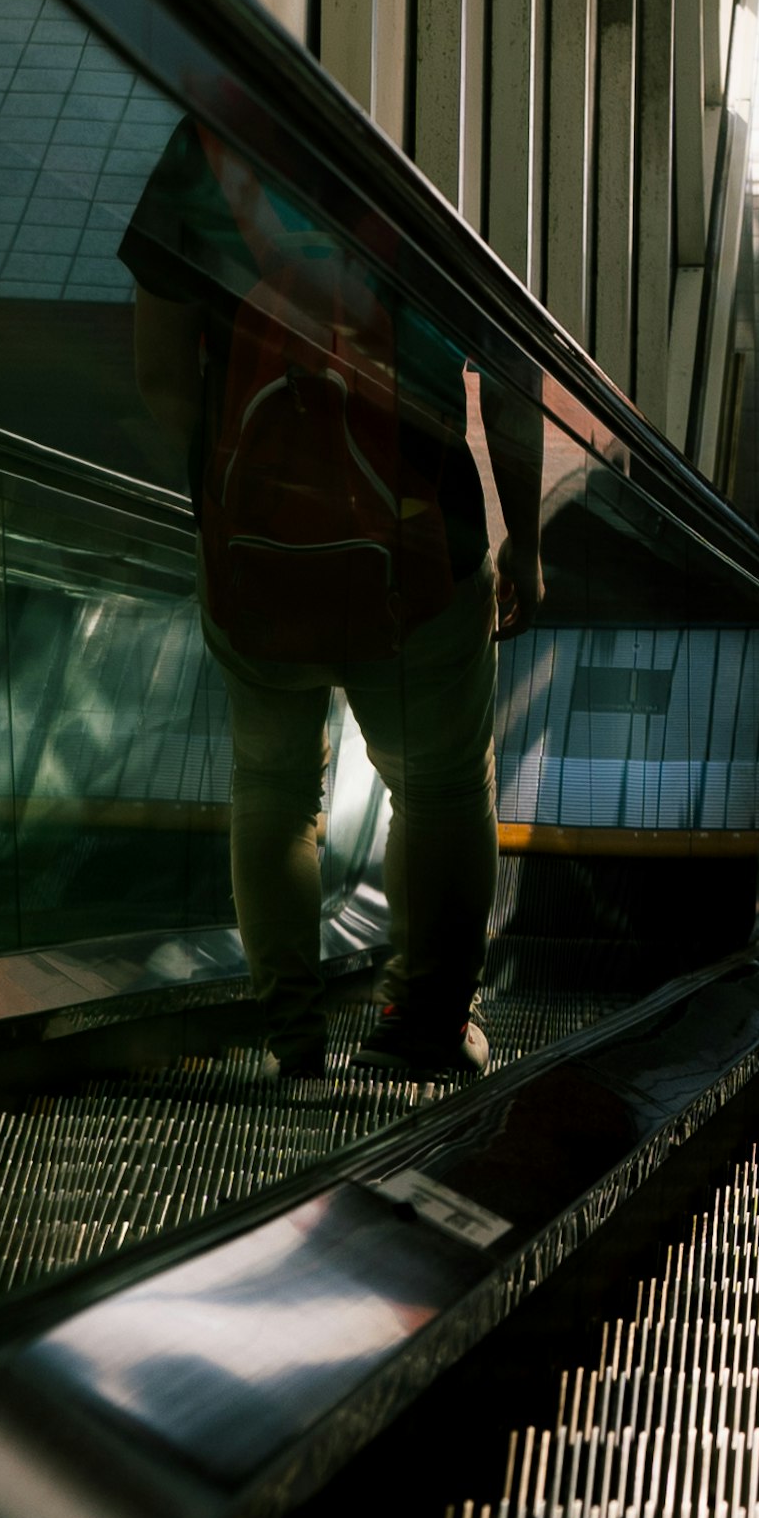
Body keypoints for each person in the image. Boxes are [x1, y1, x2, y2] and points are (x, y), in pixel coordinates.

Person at [122, 127, 542, 1083]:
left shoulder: (206, 151)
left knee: (272, 792)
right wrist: (530, 537)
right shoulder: (443, 122)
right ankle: (420, 1030)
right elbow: (512, 383)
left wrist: (234, 505)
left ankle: (293, 1040)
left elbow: (159, 373)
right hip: (421, 560)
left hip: (253, 566)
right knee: (435, 792)